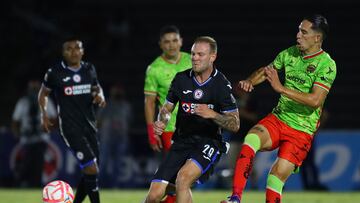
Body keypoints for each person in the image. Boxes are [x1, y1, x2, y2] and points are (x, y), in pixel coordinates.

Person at [221, 14, 336, 203]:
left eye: (303, 32)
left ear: (317, 38)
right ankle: (235, 198)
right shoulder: (289, 53)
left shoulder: (327, 65)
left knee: (275, 177)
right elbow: (266, 72)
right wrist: (250, 81)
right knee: (251, 139)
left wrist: (281, 88)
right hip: (279, 118)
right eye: (298, 30)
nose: (298, 35)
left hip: (301, 130)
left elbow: (315, 100)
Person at [144, 36, 240, 203]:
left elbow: (235, 124)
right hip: (181, 141)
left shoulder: (221, 85)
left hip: (208, 142)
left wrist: (213, 115)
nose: (194, 58)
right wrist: (162, 121)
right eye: (193, 54)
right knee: (154, 195)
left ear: (212, 57)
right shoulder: (181, 79)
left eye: (200, 54)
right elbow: (167, 108)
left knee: (183, 179)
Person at [38, 38, 106, 203]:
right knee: (91, 168)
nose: (74, 51)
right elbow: (43, 94)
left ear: (82, 51)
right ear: (63, 52)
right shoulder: (54, 72)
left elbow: (97, 88)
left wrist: (100, 96)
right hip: (70, 127)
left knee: (91, 171)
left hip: (90, 125)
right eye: (69, 49)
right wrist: (44, 114)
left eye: (77, 48)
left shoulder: (89, 69)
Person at [144, 25, 191, 203]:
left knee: (182, 177)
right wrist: (151, 131)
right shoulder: (154, 69)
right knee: (180, 175)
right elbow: (149, 102)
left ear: (181, 41)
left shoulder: (192, 60)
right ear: (160, 44)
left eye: (174, 40)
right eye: (167, 42)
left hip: (194, 127)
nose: (171, 45)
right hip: (170, 128)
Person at [11, 79, 57, 187]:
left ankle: (35, 184)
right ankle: (22, 183)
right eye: (32, 88)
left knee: (38, 163)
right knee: (26, 163)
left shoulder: (46, 101)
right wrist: (17, 133)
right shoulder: (23, 102)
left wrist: (47, 128)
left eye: (36, 88)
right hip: (26, 138)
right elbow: (15, 121)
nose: (34, 90)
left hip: (41, 138)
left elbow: (54, 119)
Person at [97, 84, 132, 188]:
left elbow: (129, 121)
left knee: (118, 163)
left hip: (121, 138)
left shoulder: (126, 106)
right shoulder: (105, 104)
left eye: (119, 91)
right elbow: (98, 120)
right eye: (115, 91)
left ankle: (115, 186)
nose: (117, 93)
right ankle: (98, 185)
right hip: (106, 137)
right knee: (103, 162)